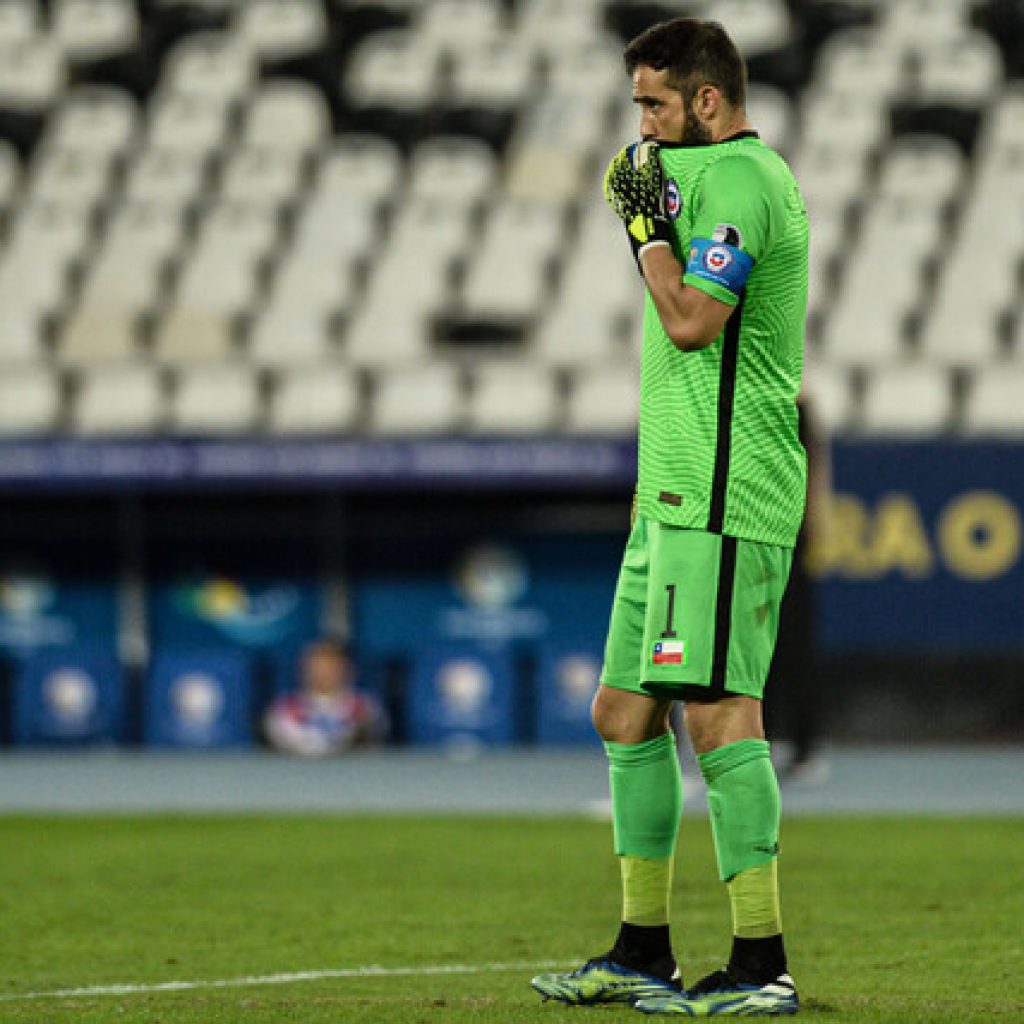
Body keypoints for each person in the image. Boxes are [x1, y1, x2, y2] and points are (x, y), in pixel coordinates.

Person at [531, 17, 808, 1018]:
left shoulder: (742, 180)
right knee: (623, 711)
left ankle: (760, 963)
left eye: (654, 102)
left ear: (707, 99)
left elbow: (693, 321)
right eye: (636, 103)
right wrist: (650, 210)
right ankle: (642, 950)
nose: (641, 121)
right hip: (671, 497)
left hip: (728, 493)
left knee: (720, 713)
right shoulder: (695, 175)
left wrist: (646, 233)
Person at [264, 639, 386, 756]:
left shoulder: (365, 707)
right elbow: (286, 742)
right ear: (303, 669)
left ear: (346, 668)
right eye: (318, 666)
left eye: (331, 666)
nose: (324, 673)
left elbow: (371, 740)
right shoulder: (285, 708)